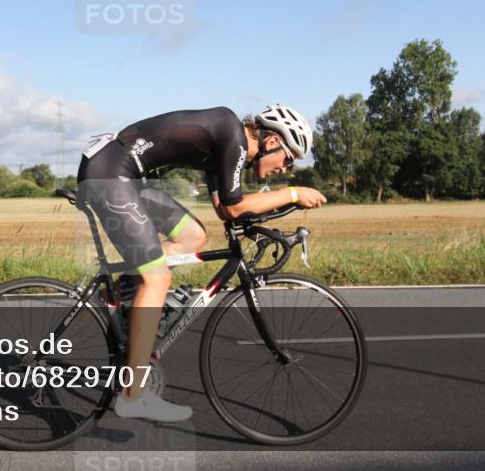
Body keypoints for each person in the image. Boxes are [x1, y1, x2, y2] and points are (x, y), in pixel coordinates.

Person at [76, 104, 327, 422]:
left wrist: (266, 220)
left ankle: (123, 292)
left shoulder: (227, 142)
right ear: (273, 141)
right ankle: (132, 396)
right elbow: (236, 209)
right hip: (110, 174)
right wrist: (292, 194)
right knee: (157, 279)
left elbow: (225, 208)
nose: (286, 169)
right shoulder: (232, 135)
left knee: (192, 235)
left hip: (119, 171)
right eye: (289, 159)